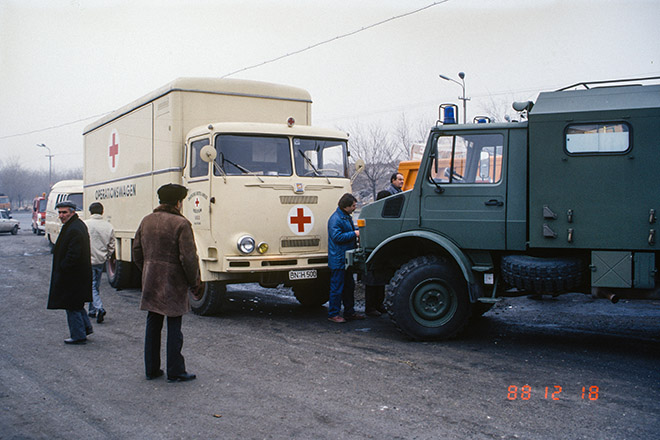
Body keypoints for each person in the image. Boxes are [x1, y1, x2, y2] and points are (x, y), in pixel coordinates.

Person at [133, 183, 201, 382]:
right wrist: (193, 281)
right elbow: (188, 258)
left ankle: (151, 369)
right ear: (178, 202)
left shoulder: (146, 221)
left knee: (152, 325)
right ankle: (175, 370)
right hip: (173, 281)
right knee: (174, 326)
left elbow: (136, 252)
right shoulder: (181, 224)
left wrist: (148, 269)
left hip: (151, 280)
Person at [47, 201, 93, 344]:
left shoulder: (73, 228)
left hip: (72, 275)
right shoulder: (75, 225)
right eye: (60, 212)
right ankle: (85, 328)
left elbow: (74, 254)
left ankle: (78, 335)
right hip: (77, 274)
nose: (61, 216)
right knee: (76, 303)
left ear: (72, 212)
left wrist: (64, 267)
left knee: (71, 304)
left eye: (64, 212)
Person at [327, 193, 365, 323]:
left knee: (349, 286)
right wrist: (354, 233)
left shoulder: (344, 217)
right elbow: (337, 237)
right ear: (346, 206)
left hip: (346, 259)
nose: (355, 207)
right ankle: (333, 314)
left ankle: (349, 312)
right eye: (353, 206)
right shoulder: (336, 219)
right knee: (337, 288)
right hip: (339, 259)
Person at [84, 202, 115, 323]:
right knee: (96, 285)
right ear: (102, 212)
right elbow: (111, 245)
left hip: (88, 259)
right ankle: (92, 311)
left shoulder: (85, 224)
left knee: (91, 285)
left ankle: (99, 307)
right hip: (100, 259)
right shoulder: (108, 226)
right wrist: (106, 256)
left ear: (90, 211)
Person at [364, 190, 391, 317]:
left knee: (380, 283)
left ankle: (379, 305)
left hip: (381, 255)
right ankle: (370, 307)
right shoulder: (373, 213)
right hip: (373, 254)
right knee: (372, 283)